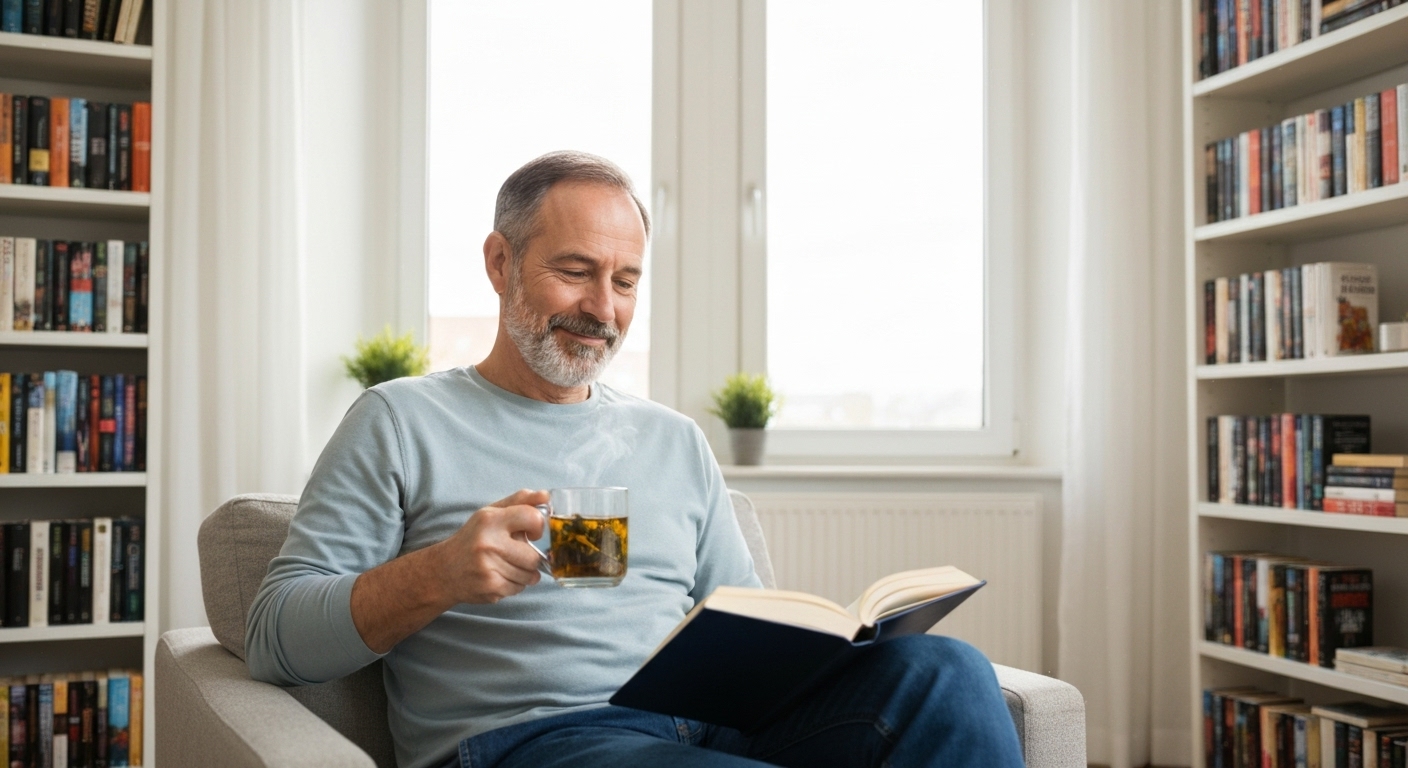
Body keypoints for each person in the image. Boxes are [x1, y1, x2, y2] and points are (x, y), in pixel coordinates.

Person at [245, 151, 1025, 768]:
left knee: (947, 673)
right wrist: (438, 573)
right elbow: (275, 638)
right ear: (499, 262)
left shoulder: (673, 439)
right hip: (536, 742)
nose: (603, 309)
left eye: (625, 281)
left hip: (701, 728)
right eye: (575, 271)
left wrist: (826, 646)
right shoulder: (400, 420)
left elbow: (750, 629)